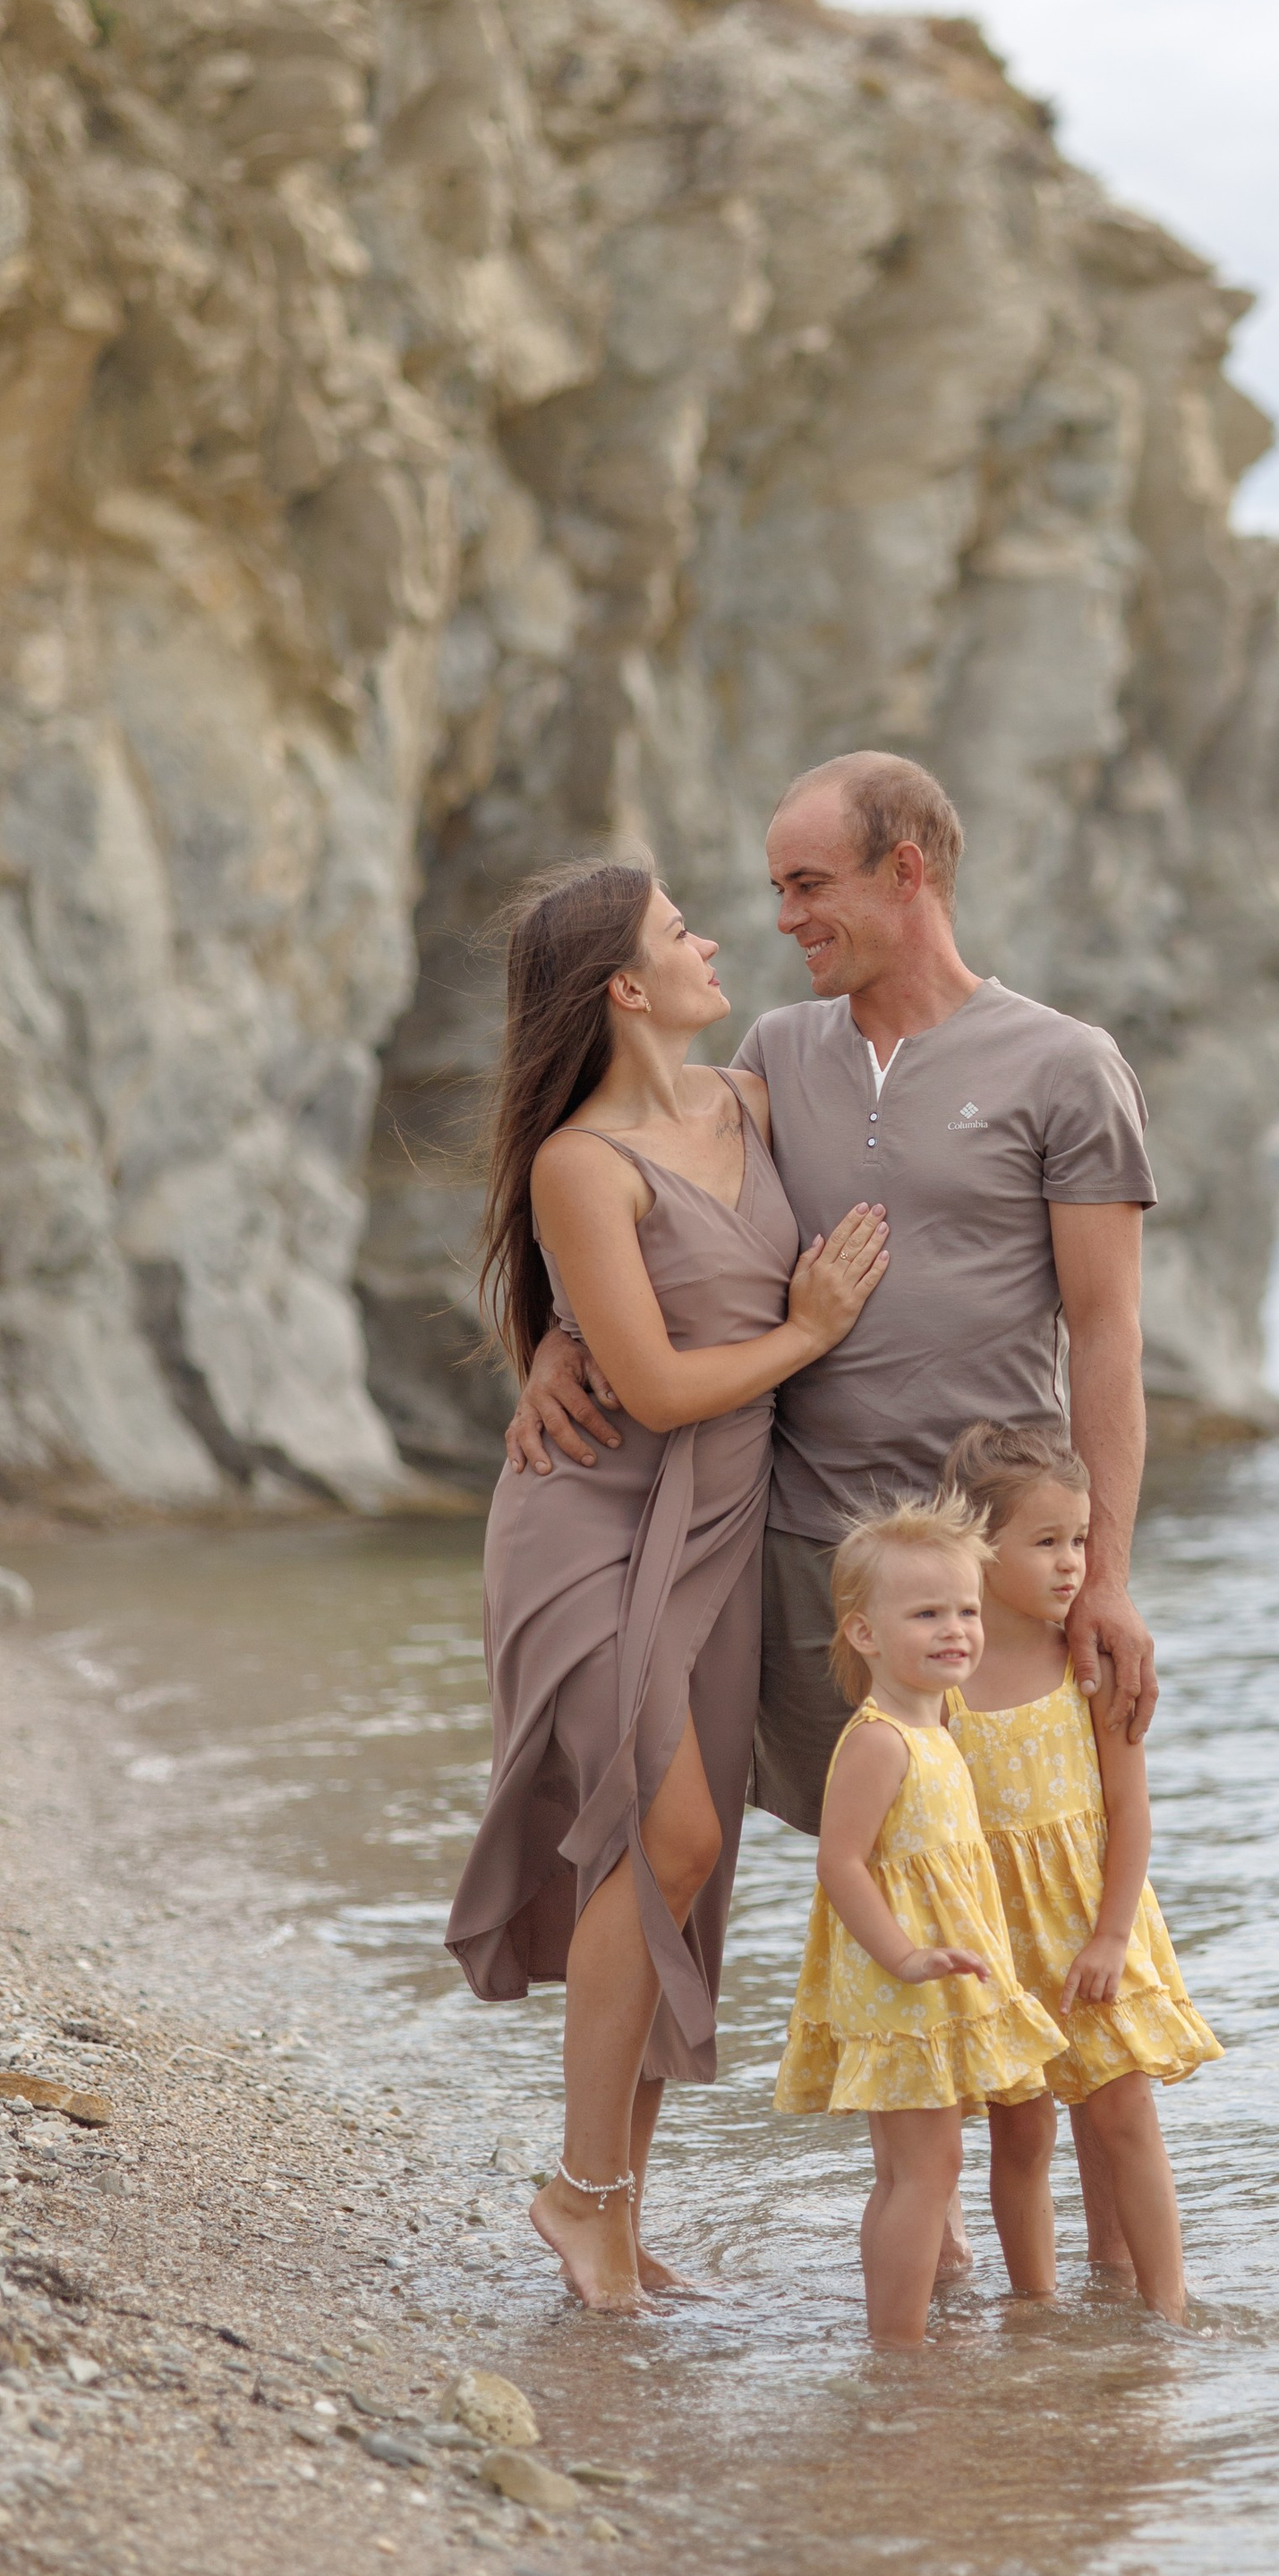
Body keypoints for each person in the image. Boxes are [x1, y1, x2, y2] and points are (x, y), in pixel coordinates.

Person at [504, 749, 1161, 1809]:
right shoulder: (776, 1052)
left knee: (1024, 1872)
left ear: (903, 873)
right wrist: (559, 1336)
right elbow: (634, 1177)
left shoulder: (1066, 1065)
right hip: (813, 1551)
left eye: (808, 886)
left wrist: (1109, 1580)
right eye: (776, 890)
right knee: (864, 1870)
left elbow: (1108, 1331)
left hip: (991, 1552)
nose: (782, 918)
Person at [446, 861, 889, 2314]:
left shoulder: (748, 1101)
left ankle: (613, 2220)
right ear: (627, 988)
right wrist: (812, 1328)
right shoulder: (582, 1160)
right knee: (668, 1831)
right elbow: (650, 1380)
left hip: (718, 1527)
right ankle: (579, 2198)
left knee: (678, 1867)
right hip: (590, 1521)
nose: (716, 945)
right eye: (682, 932)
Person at [939, 1421, 1219, 2324]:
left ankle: (1166, 2309)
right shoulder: (940, 1684)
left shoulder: (1086, 1668)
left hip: (1096, 1930)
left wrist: (1108, 1936)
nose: (1072, 1565)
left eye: (1082, 1541)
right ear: (977, 1550)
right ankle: (1035, 2313)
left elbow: (1130, 1812)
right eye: (1048, 1542)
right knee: (1018, 2135)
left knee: (1125, 2114)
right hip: (999, 1947)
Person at [772, 1501, 1067, 2345]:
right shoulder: (879, 1741)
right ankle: (896, 2346)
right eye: (927, 1614)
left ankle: (918, 2325)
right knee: (922, 2171)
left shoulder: (936, 1725)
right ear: (865, 1635)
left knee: (932, 2166)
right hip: (903, 1991)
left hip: (939, 1985)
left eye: (968, 1610)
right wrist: (902, 1956)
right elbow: (841, 1863)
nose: (956, 1630)